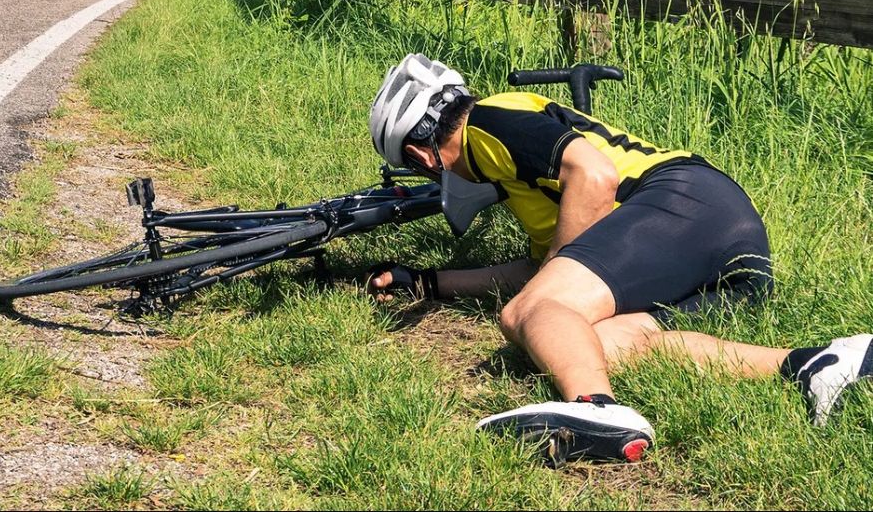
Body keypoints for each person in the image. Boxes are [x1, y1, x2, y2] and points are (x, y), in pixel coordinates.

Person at [365, 53, 873, 466]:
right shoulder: (514, 172)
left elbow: (595, 176)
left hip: (686, 201)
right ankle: (814, 364)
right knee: (599, 343)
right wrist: (430, 283)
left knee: (530, 311)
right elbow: (539, 271)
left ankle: (596, 408)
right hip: (724, 248)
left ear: (421, 157)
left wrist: (547, 289)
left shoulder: (489, 121)